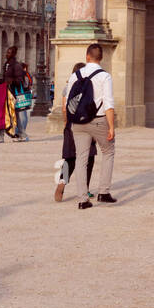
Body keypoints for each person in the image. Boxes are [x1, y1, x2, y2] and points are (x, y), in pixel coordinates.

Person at [63, 43, 116, 210]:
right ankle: (104, 191)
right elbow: (108, 103)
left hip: (78, 122)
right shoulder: (104, 76)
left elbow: (69, 102)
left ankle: (82, 199)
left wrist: (69, 122)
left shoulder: (75, 75)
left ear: (87, 56)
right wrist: (111, 126)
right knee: (108, 152)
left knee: (81, 158)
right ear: (101, 58)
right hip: (98, 120)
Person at [54, 62, 96, 202]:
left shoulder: (67, 87)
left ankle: (62, 182)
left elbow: (65, 108)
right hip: (85, 124)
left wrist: (66, 124)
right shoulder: (89, 87)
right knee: (88, 158)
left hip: (71, 125)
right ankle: (85, 189)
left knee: (69, 158)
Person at [3, 46, 27, 140]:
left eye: (9, 53)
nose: (6, 54)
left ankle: (22, 134)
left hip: (16, 93)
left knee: (19, 115)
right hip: (9, 93)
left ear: (13, 54)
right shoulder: (7, 65)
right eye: (7, 52)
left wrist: (11, 80)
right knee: (13, 114)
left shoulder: (17, 66)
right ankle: (17, 133)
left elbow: (20, 80)